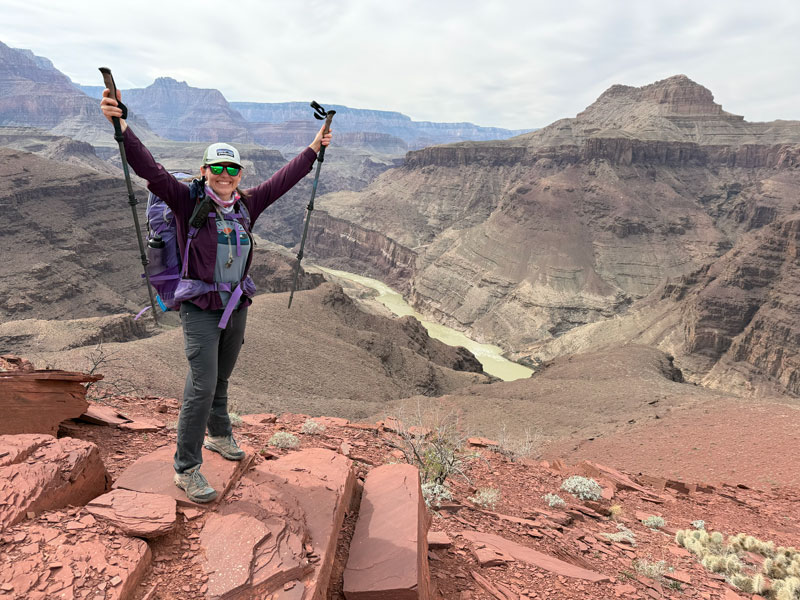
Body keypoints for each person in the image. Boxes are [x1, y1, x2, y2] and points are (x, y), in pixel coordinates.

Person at [100, 88, 332, 503]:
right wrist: (122, 126)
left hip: (236, 303)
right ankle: (186, 468)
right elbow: (149, 170)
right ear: (205, 170)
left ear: (240, 174)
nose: (225, 175)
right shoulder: (183, 201)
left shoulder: (246, 204)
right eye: (218, 168)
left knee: (221, 378)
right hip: (200, 308)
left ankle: (220, 434)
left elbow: (285, 179)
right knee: (202, 384)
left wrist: (315, 147)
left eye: (233, 169)